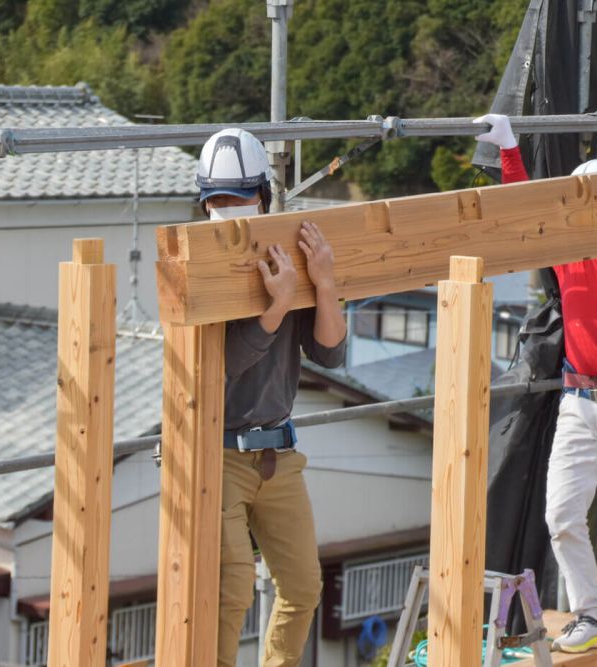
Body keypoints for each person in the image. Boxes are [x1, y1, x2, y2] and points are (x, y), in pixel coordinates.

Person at [475, 113, 597, 651]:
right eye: (583, 201)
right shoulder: (570, 247)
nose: (588, 211)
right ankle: (592, 614)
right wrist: (510, 150)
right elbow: (529, 208)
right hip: (579, 397)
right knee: (561, 514)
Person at [196, 128, 348, 666]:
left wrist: (323, 284)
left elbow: (329, 355)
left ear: (263, 192)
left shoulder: (284, 252)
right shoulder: (201, 263)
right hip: (216, 453)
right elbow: (222, 368)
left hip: (278, 453)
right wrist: (276, 305)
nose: (228, 210)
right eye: (216, 200)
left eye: (238, 196)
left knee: (304, 586)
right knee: (230, 590)